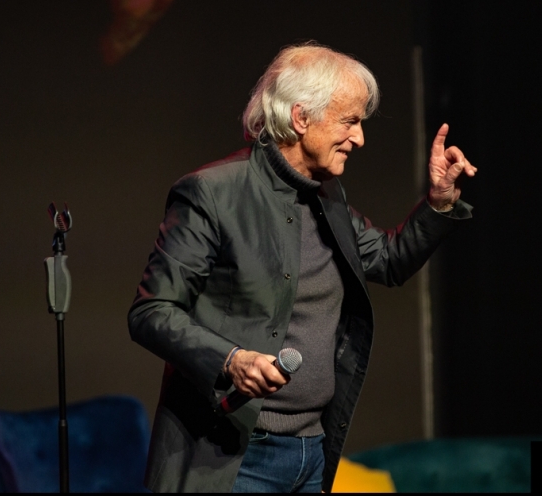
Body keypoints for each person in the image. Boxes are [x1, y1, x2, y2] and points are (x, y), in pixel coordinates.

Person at [127, 42, 477, 493]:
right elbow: (151, 312)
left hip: (311, 454)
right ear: (300, 118)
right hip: (235, 456)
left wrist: (440, 201)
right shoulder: (212, 193)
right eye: (349, 121)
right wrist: (231, 361)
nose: (360, 138)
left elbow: (387, 261)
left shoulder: (327, 195)